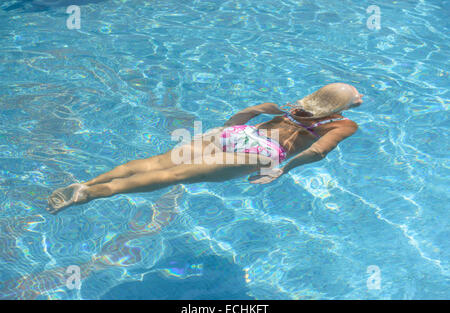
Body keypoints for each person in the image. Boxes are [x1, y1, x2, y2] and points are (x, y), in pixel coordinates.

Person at [47, 82, 363, 214]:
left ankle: (86, 182)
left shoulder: (293, 106)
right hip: (261, 152)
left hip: (237, 133)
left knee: (156, 161)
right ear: (345, 106)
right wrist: (280, 170)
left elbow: (247, 112)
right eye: (355, 98)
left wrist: (234, 128)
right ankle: (94, 193)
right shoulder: (344, 124)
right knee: (175, 176)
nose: (359, 100)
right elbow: (318, 152)